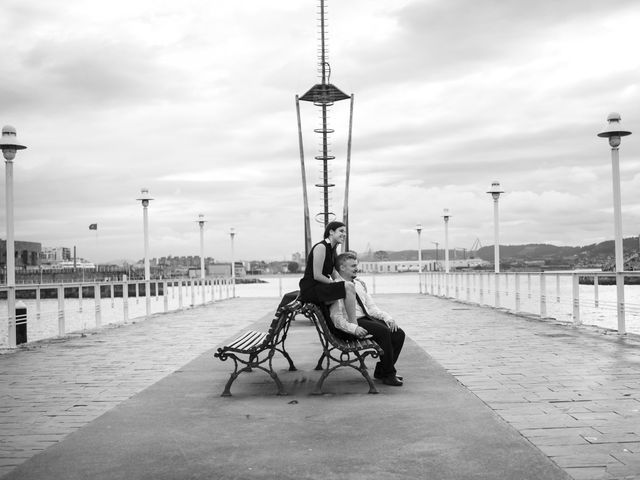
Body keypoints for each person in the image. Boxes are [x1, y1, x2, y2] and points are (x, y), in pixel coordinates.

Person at [329, 252, 405, 386]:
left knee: (398, 333)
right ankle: (389, 374)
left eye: (356, 265)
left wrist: (388, 318)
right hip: (353, 325)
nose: (356, 268)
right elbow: (336, 318)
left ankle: (382, 371)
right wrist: (354, 328)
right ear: (342, 268)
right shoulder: (336, 288)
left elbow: (371, 308)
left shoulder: (358, 284)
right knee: (383, 332)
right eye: (352, 266)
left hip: (366, 318)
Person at [299, 221, 358, 324]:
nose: (344, 234)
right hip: (311, 289)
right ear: (331, 232)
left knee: (349, 286)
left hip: (320, 287)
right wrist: (337, 284)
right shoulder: (321, 247)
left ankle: (346, 323)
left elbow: (333, 272)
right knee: (347, 287)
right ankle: (354, 324)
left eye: (345, 232)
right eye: (341, 231)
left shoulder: (332, 249)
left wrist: (345, 281)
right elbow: (317, 275)